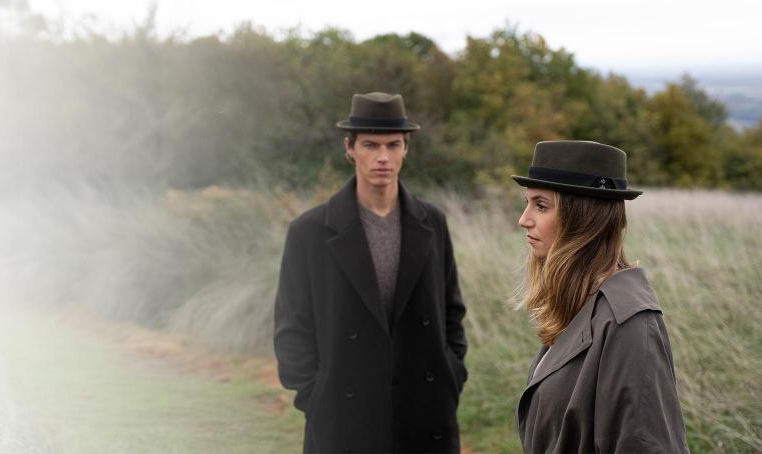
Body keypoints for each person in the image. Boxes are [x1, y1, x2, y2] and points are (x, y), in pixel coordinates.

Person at [273, 92, 468, 453]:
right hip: (342, 419)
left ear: (406, 148)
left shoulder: (432, 222)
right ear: (349, 148)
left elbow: (451, 311)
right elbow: (291, 327)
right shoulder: (309, 232)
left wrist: (450, 375)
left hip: (425, 413)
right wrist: (315, 396)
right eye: (370, 145)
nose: (383, 157)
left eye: (393, 145)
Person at [512, 140, 689, 453]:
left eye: (541, 206)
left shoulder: (629, 324)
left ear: (583, 218)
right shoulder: (580, 303)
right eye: (528, 203)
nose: (523, 219)